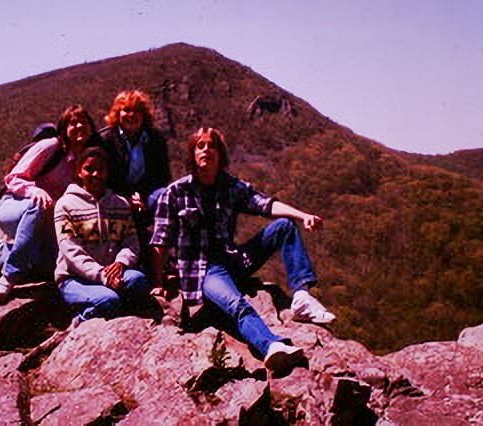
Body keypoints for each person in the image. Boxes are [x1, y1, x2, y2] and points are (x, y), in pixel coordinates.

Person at [150, 127, 335, 372]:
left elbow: (265, 204)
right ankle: (270, 346)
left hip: (234, 258)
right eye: (200, 146)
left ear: (220, 154)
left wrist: (303, 216)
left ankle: (301, 296)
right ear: (192, 155)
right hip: (205, 271)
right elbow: (160, 241)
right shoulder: (175, 193)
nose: (206, 150)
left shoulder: (231, 186)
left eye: (212, 146)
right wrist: (158, 281)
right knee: (236, 304)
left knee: (284, 227)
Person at [0, 105, 101, 299]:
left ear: (91, 128)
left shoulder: (87, 160)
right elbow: (13, 178)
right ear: (64, 129)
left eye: (84, 122)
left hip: (49, 221)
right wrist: (33, 190)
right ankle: (10, 275)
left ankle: (2, 252)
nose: (79, 126)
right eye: (73, 123)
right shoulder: (50, 147)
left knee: (55, 264)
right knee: (40, 205)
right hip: (15, 206)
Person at [54, 147, 151, 322]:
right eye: (89, 169)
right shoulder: (65, 205)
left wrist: (121, 262)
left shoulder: (119, 204)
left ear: (107, 173)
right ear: (79, 172)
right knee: (108, 300)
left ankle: (111, 309)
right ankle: (81, 319)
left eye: (101, 169)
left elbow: (131, 242)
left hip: (113, 273)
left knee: (138, 281)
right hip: (75, 278)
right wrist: (102, 275)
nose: (96, 174)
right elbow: (71, 251)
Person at [99, 89, 171, 216]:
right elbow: (103, 179)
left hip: (147, 195)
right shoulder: (105, 140)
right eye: (126, 110)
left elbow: (163, 176)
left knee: (165, 197)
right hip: (114, 196)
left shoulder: (155, 139)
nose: (132, 115)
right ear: (117, 114)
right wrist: (127, 198)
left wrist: (141, 196)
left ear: (144, 115)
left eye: (137, 111)